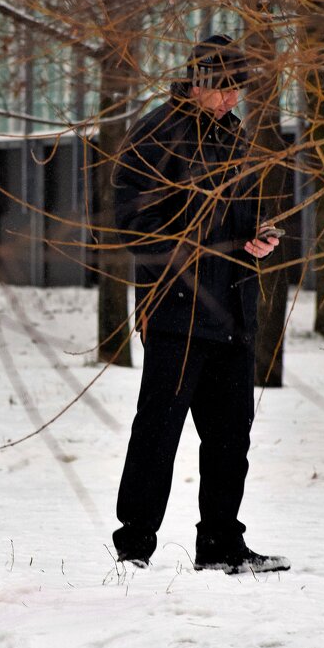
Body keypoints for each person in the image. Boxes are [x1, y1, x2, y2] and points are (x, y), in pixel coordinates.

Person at [111, 34, 289, 575]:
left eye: (240, 89)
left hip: (234, 308)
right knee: (158, 432)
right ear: (197, 81)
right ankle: (135, 546)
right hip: (176, 310)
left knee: (232, 437)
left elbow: (241, 215)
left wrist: (258, 235)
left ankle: (221, 545)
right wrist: (210, 235)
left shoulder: (234, 137)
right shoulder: (156, 135)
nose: (234, 98)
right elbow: (133, 225)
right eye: (227, 88)